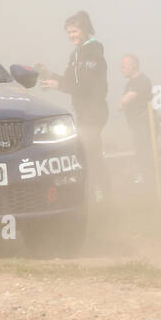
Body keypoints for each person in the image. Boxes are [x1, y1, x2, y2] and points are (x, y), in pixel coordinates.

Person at [39, 11, 110, 201]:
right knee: (92, 156)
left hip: (94, 112)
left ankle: (99, 198)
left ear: (85, 29)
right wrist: (49, 74)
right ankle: (101, 197)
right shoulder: (76, 54)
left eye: (75, 31)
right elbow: (69, 81)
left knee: (89, 157)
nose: (71, 35)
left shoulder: (93, 52)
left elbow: (85, 85)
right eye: (69, 32)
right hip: (84, 113)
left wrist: (59, 85)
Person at [118, 55, 157, 185]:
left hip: (143, 125)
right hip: (137, 126)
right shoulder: (131, 83)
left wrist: (122, 104)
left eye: (123, 66)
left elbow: (126, 100)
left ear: (133, 65)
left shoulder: (141, 81)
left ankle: (149, 182)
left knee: (144, 154)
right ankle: (146, 181)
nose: (121, 69)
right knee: (140, 152)